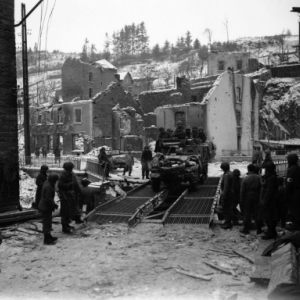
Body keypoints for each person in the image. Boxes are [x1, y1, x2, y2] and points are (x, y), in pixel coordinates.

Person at [58, 162, 83, 234]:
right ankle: (64, 227)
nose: (72, 169)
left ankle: (67, 224)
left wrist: (79, 191)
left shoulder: (71, 174)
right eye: (71, 168)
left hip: (71, 195)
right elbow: (60, 185)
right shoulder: (63, 175)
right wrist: (70, 184)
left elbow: (76, 184)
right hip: (66, 196)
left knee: (69, 211)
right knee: (65, 212)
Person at [239, 164, 262, 235]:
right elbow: (262, 188)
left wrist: (241, 201)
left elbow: (242, 191)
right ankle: (259, 229)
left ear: (248, 169)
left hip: (248, 197)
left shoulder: (245, 179)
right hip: (257, 196)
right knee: (257, 213)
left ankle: (246, 229)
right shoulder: (259, 177)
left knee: (247, 213)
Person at [259, 162, 279, 240]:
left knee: (269, 217)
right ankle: (271, 231)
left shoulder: (272, 178)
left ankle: (271, 232)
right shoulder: (270, 177)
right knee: (268, 217)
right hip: (269, 200)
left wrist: (265, 201)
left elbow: (269, 191)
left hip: (270, 201)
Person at [38, 173, 59, 245]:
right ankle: (46, 240)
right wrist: (54, 205)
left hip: (45, 206)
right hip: (45, 207)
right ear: (54, 180)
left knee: (48, 222)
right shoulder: (48, 187)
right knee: (46, 223)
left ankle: (49, 236)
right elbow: (48, 199)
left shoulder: (47, 182)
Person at [285, 153, 300, 231]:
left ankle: (296, 225)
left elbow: (289, 182)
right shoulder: (297, 167)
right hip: (297, 191)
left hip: (294, 192)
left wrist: (286, 192)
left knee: (294, 208)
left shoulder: (291, 170)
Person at [220, 162, 234, 229]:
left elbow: (226, 186)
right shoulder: (231, 173)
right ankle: (228, 222)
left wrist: (223, 195)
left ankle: (228, 223)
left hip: (227, 194)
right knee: (229, 208)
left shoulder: (226, 175)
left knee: (226, 209)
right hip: (231, 193)